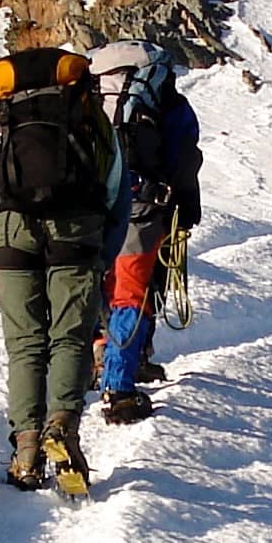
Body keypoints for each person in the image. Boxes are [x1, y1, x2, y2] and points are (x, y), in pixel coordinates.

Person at [0, 46, 127, 493]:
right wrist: (103, 250)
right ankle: (62, 428)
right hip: (77, 228)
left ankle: (26, 449)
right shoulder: (85, 113)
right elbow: (115, 182)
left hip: (11, 230)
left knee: (25, 343)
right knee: (70, 336)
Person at [87, 40, 203, 423]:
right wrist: (187, 208)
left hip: (90, 204)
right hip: (143, 203)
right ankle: (119, 387)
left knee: (101, 284)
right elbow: (184, 155)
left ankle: (103, 357)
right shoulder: (163, 98)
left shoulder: (89, 93)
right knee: (133, 292)